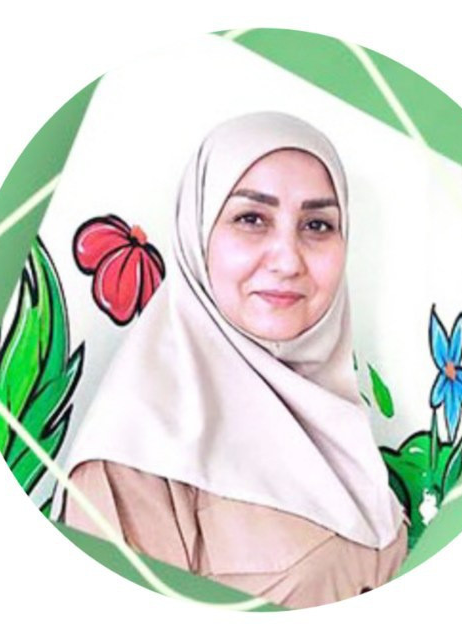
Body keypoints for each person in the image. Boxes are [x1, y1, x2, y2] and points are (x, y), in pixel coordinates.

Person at [56, 112, 408, 609]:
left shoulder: (335, 418)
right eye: (251, 219)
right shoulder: (132, 462)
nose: (287, 259)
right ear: (198, 235)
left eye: (317, 225)